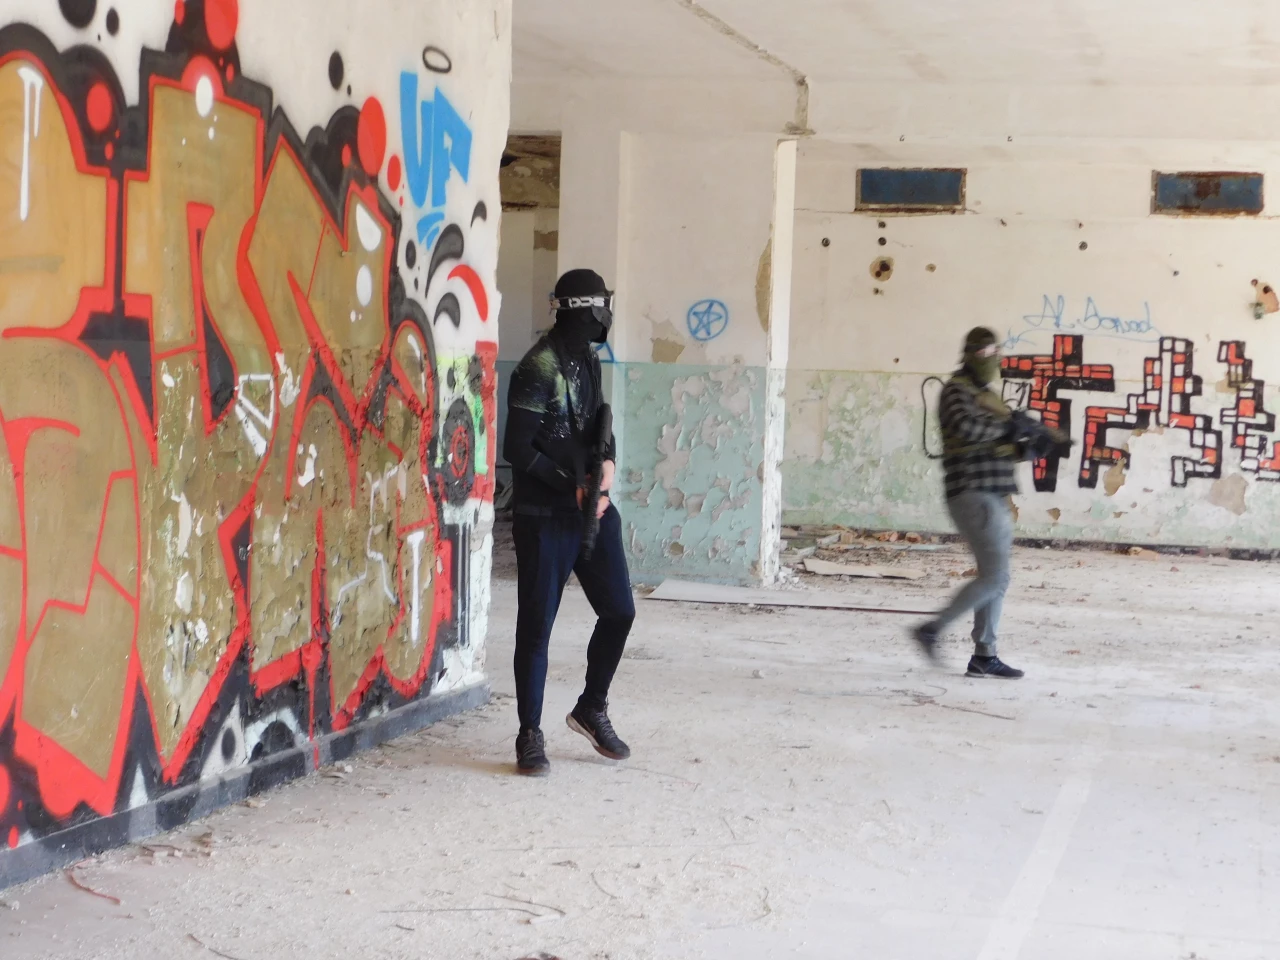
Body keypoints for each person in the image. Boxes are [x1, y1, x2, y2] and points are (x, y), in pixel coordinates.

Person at [502, 268, 635, 776]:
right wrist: (570, 486)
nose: (605, 317)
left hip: (590, 508)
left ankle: (590, 708)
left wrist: (608, 467)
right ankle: (529, 734)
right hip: (544, 517)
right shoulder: (538, 366)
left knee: (619, 612)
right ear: (586, 310)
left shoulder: (587, 359)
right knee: (537, 629)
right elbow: (517, 448)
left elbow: (599, 425)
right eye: (601, 306)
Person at [913, 326, 1070, 679]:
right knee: (996, 577)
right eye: (983, 353)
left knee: (995, 577)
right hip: (973, 491)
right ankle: (932, 630)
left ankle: (985, 655)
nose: (991, 359)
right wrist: (1011, 429)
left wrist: (1031, 448)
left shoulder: (989, 397)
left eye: (995, 352)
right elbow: (967, 430)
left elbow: (997, 448)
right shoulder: (957, 391)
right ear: (969, 354)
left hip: (993, 493)